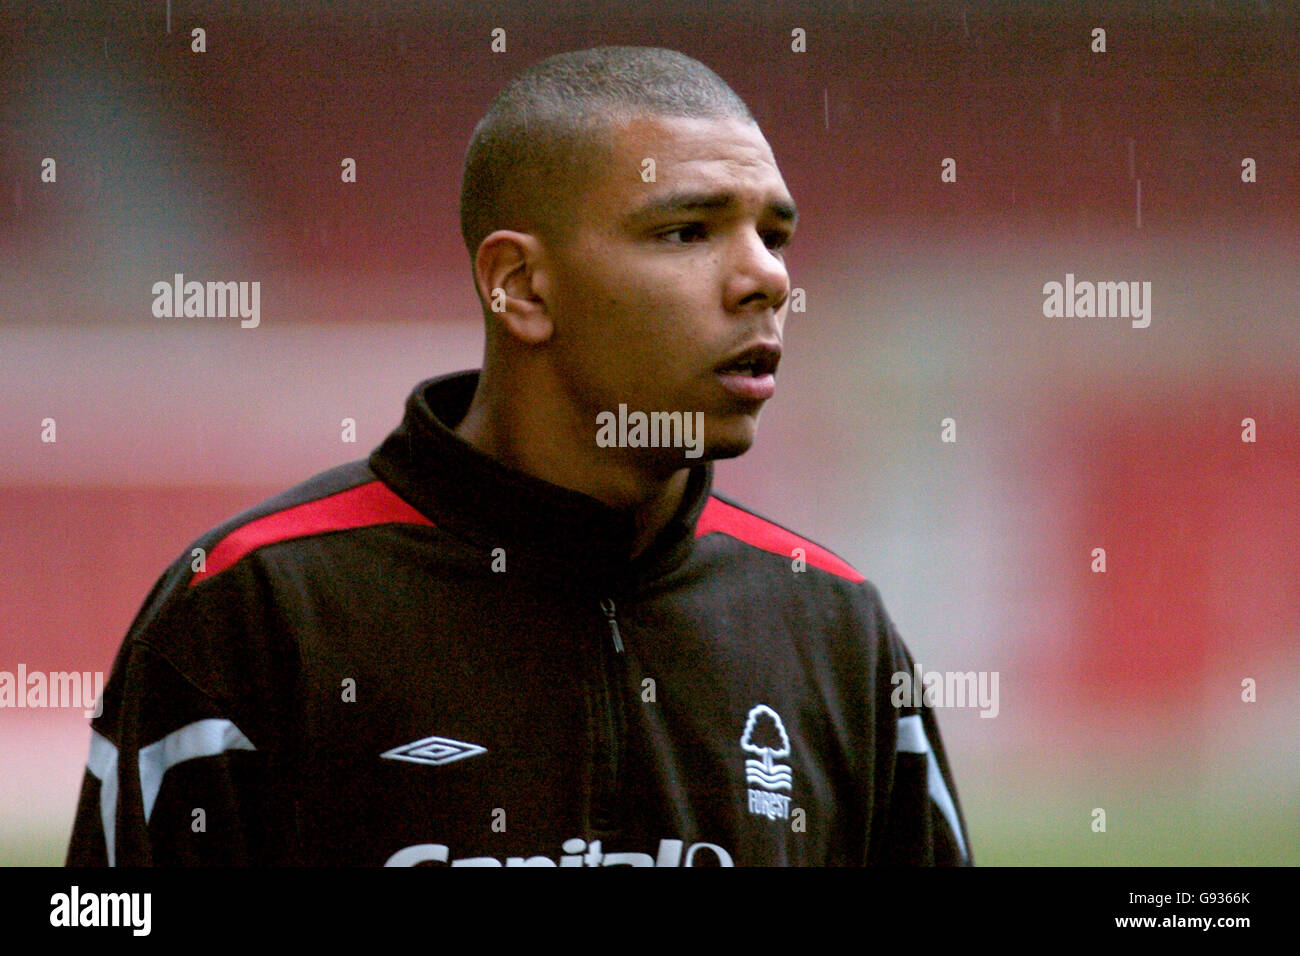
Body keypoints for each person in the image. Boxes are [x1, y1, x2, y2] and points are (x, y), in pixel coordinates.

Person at [66, 45, 971, 866]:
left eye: (773, 236)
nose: (766, 278)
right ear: (521, 286)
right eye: (687, 231)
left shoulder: (833, 626)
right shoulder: (253, 612)